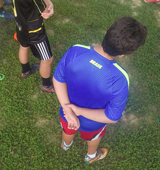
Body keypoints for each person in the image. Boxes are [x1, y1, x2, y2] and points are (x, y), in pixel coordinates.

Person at [53, 17, 147, 164]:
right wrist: (78, 111)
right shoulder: (120, 79)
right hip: (93, 124)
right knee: (94, 137)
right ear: (123, 54)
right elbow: (112, 117)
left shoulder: (76, 51)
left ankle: (66, 145)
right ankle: (91, 156)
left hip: (66, 114)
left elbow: (58, 79)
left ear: (107, 33)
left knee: (67, 129)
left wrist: (68, 109)